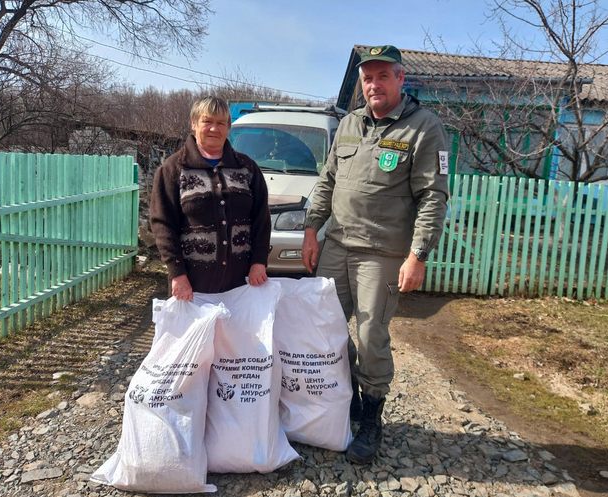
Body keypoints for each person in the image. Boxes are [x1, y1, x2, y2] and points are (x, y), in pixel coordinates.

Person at [301, 45, 450, 464]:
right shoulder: (350, 123)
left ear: (400, 78)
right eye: (368, 78)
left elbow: (433, 196)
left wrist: (418, 254)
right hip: (337, 244)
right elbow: (328, 180)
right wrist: (312, 229)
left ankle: (371, 418)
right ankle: (346, 394)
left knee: (370, 337)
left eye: (383, 76)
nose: (374, 84)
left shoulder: (423, 127)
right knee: (324, 329)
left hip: (382, 252)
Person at [150, 96, 271, 299]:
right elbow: (163, 224)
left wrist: (259, 262)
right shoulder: (173, 169)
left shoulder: (247, 168)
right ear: (194, 123)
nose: (214, 129)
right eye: (207, 121)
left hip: (240, 282)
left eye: (221, 123)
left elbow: (261, 219)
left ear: (228, 127)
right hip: (191, 284)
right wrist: (177, 273)